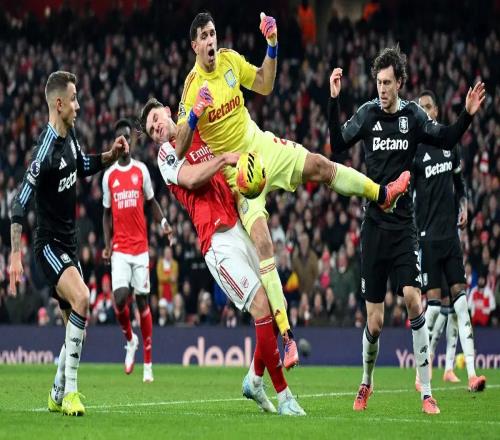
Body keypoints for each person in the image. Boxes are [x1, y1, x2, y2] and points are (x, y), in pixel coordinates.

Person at [175, 12, 409, 352]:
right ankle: (287, 337)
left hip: (262, 147)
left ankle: (382, 193)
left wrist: (272, 45)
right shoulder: (191, 86)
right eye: (204, 37)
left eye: (213, 33)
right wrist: (195, 113)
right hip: (239, 176)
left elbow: (264, 84)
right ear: (194, 45)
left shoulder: (229, 60)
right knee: (264, 243)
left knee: (319, 165)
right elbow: (180, 148)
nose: (211, 41)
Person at [328, 47, 485, 414]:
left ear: (399, 82)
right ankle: (366, 381)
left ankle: (427, 392)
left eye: (387, 83)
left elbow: (445, 138)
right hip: (374, 227)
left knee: (414, 300)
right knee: (376, 322)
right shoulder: (367, 114)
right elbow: (337, 144)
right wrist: (333, 100)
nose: (382, 89)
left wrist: (467, 115)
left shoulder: (413, 115)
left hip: (403, 227)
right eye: (378, 83)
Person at [140, 98, 305, 416]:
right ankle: (285, 396)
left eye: (156, 119)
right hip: (217, 242)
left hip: (238, 224)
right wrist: (225, 159)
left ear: (168, 112)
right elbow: (191, 178)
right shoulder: (166, 155)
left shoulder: (199, 132)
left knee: (274, 306)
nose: (156, 128)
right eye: (151, 130)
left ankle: (254, 380)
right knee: (261, 306)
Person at [9, 71, 128, 416]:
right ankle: (72, 394)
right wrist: (15, 255)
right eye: (74, 99)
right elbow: (19, 203)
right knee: (83, 298)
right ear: (59, 104)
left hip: (69, 244)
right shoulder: (44, 151)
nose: (78, 105)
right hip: (48, 246)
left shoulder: (71, 135)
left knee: (77, 330)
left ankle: (57, 392)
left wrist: (110, 155)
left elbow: (82, 164)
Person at [413, 89, 486, 392]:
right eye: (419, 107)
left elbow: (459, 182)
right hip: (428, 238)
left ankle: (472, 374)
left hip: (450, 238)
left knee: (461, 304)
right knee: (432, 307)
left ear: (437, 110)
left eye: (428, 106)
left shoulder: (448, 145)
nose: (424, 111)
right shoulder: (415, 151)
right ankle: (422, 372)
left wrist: (464, 206)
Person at [102, 118, 171, 383]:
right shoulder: (109, 176)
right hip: (120, 248)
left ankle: (148, 363)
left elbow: (152, 203)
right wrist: (107, 245)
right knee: (120, 298)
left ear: (131, 141)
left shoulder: (141, 171)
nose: (125, 142)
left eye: (128, 137)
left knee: (142, 301)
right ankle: (130, 340)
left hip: (140, 248)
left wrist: (163, 223)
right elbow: (105, 214)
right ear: (116, 143)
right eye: (120, 138)